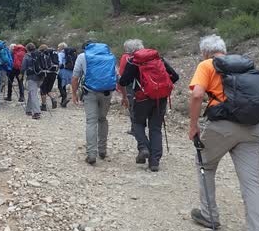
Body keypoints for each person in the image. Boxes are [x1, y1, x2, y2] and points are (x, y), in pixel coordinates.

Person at [188, 35, 259, 231]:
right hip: (254, 128)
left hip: (222, 126)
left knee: (205, 163)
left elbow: (197, 94)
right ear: (224, 50)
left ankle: (209, 215)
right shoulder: (247, 65)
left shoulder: (206, 65)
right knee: (253, 183)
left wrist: (193, 125)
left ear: (205, 52)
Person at [119, 44, 179, 172]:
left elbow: (123, 81)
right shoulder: (159, 60)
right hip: (160, 99)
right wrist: (159, 87)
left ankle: (144, 148)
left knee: (137, 123)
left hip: (142, 98)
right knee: (156, 128)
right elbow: (175, 76)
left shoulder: (133, 62)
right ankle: (154, 162)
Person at [72, 40, 117, 165]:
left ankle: (91, 154)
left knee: (91, 122)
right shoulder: (109, 56)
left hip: (90, 92)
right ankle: (102, 150)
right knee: (102, 119)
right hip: (107, 92)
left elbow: (75, 77)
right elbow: (115, 74)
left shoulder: (82, 56)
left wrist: (74, 94)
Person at [118, 39, 144, 136]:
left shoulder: (126, 57)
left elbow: (121, 73)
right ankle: (142, 126)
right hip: (144, 85)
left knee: (132, 106)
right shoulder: (146, 57)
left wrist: (120, 87)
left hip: (130, 85)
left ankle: (135, 128)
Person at [21, 43, 42, 120]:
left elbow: (23, 67)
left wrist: (21, 74)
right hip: (41, 77)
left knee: (33, 94)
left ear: (27, 49)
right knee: (31, 92)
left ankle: (36, 112)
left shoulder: (27, 56)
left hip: (32, 77)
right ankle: (28, 110)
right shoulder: (39, 54)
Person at [39, 44, 59, 111]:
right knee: (49, 89)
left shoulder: (44, 54)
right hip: (54, 73)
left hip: (46, 73)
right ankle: (53, 99)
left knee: (43, 89)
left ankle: (43, 105)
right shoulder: (54, 53)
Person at [57, 42, 77, 108]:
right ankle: (63, 102)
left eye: (58, 47)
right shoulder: (71, 54)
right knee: (66, 85)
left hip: (63, 71)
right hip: (71, 71)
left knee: (61, 86)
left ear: (61, 47)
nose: (58, 48)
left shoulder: (61, 54)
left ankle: (64, 98)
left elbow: (59, 63)